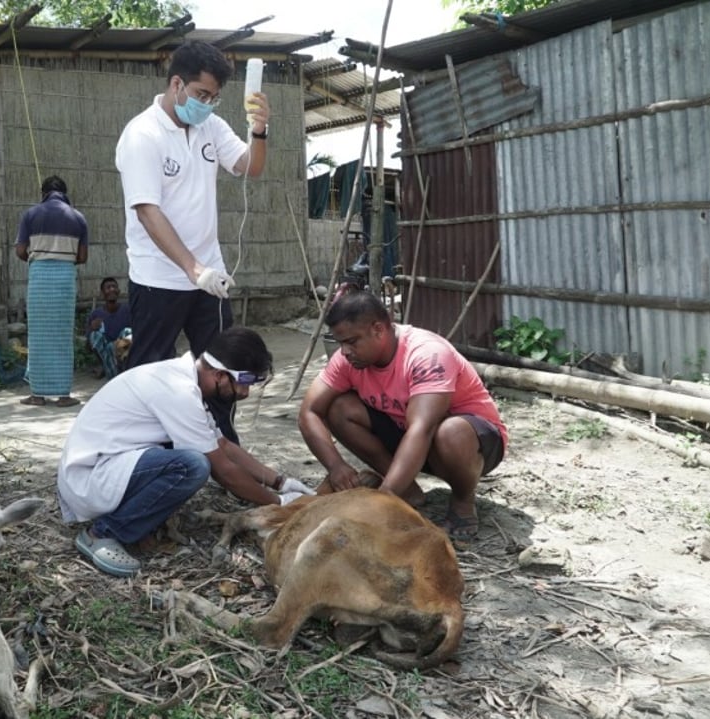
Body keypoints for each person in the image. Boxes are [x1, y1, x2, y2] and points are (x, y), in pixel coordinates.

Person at [58, 327, 314, 578]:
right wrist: (279, 503)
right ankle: (102, 534)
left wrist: (281, 482)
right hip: (91, 476)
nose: (245, 393)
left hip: (108, 465)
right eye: (244, 382)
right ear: (219, 373)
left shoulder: (184, 382)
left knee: (194, 459)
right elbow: (223, 471)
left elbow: (224, 445)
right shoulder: (179, 391)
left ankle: (132, 523)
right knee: (193, 466)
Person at [115, 40, 270, 443]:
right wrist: (191, 267)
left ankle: (223, 445)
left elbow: (249, 167)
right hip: (158, 278)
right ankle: (148, 448)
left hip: (209, 276)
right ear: (177, 84)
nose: (207, 104)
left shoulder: (210, 126)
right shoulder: (142, 134)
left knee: (224, 364)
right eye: (202, 95)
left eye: (215, 98)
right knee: (150, 368)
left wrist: (259, 128)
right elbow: (148, 210)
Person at [298, 291, 508, 545]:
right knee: (339, 408)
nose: (344, 352)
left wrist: (381, 500)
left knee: (450, 432)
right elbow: (310, 411)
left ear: (378, 329)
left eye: (352, 342)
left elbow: (422, 429)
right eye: (340, 343)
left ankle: (463, 502)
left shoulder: (427, 354)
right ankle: (407, 491)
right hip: (412, 441)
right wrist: (336, 466)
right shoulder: (347, 361)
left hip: (472, 445)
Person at [15, 175, 88, 407]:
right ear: (65, 193)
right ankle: (64, 396)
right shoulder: (78, 218)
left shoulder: (30, 215)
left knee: (38, 336)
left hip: (39, 278)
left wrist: (40, 258)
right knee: (62, 335)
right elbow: (83, 257)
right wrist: (62, 260)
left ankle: (37, 394)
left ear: (43, 193)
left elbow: (20, 251)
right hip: (65, 278)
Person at [87, 276, 131, 379]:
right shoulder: (96, 314)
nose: (112, 289)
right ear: (102, 294)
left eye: (114, 287)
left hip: (122, 355)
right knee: (94, 335)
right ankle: (109, 368)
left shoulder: (127, 310)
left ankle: (113, 371)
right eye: (108, 287)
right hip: (106, 355)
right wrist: (91, 328)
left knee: (128, 332)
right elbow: (89, 347)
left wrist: (115, 347)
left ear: (119, 291)